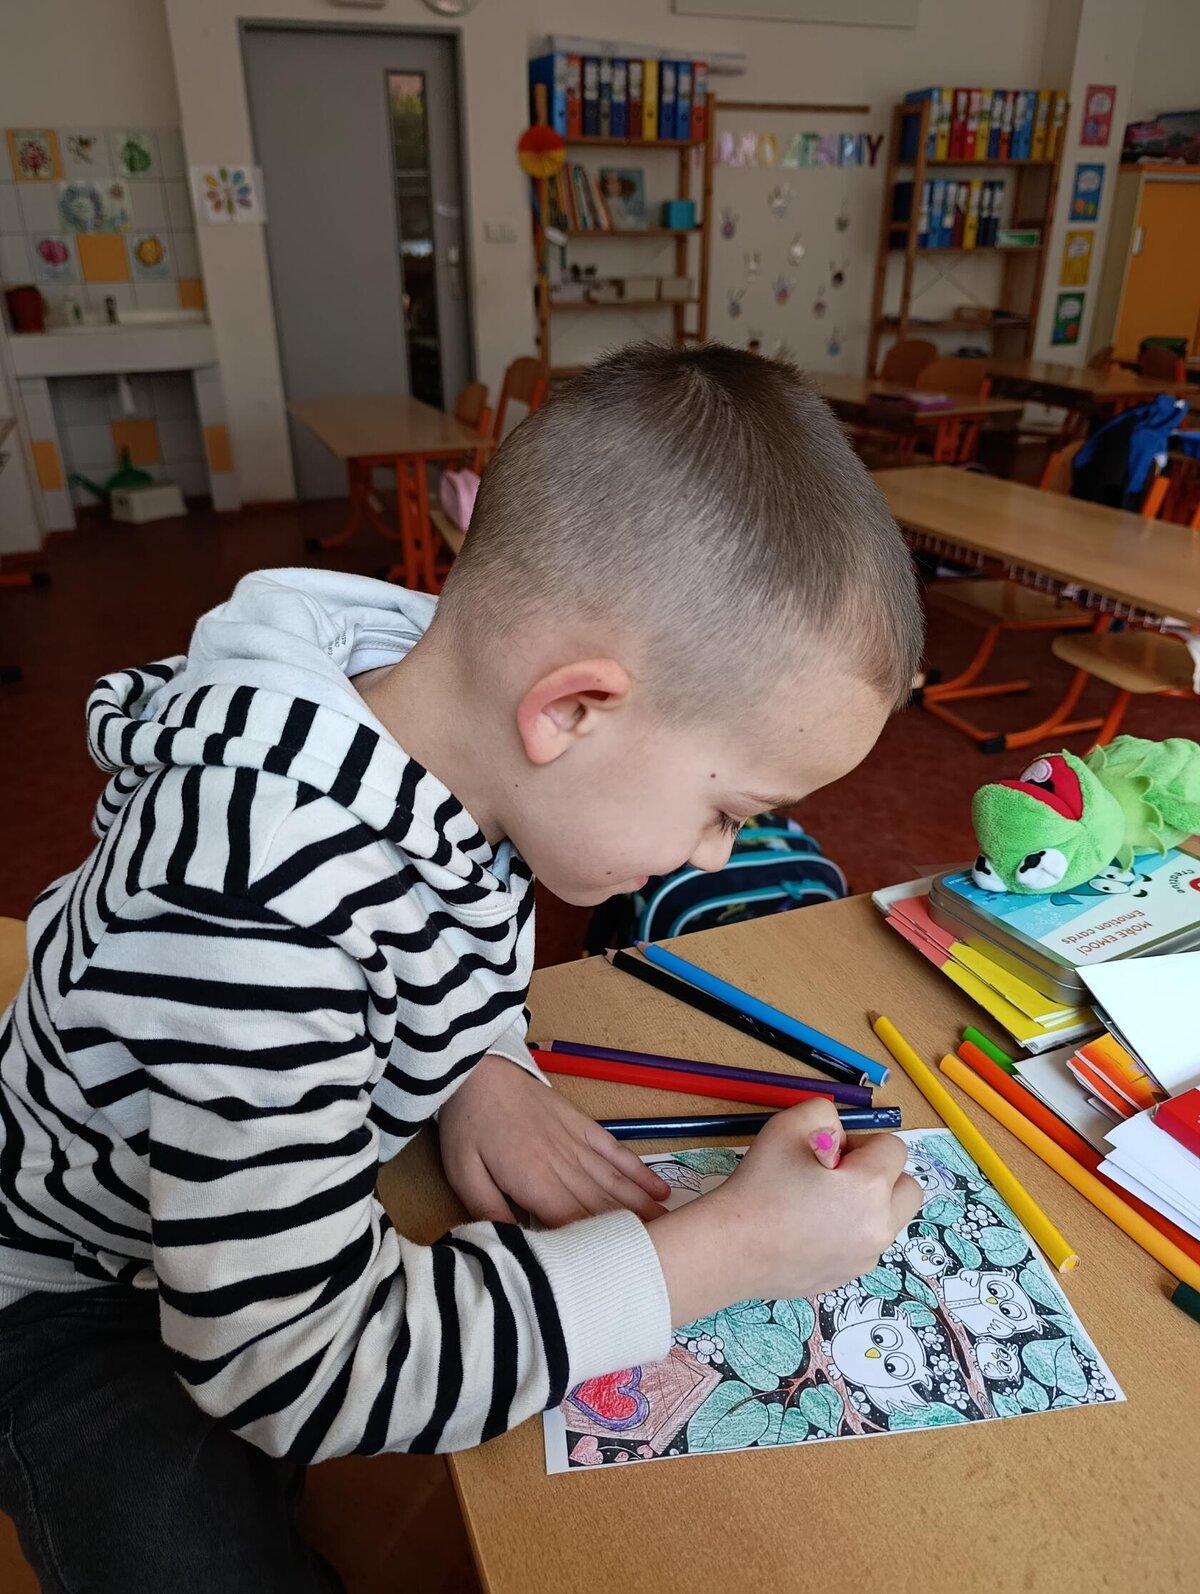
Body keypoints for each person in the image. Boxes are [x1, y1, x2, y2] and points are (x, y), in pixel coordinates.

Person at [0, 343, 924, 1591]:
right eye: (729, 811)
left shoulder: (449, 715)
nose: (717, 854)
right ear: (573, 710)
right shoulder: (260, 909)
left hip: (231, 1228)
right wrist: (731, 1250)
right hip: (68, 1288)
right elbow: (290, 1363)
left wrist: (476, 1063)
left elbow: (439, 934)